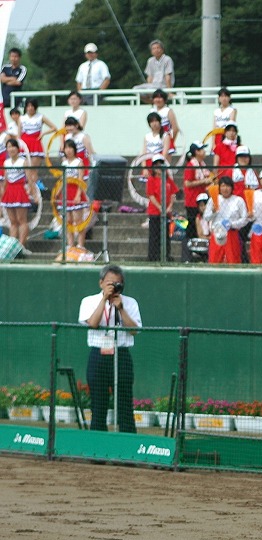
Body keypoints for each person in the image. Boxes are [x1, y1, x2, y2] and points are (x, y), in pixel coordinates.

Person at [77, 264, 141, 433]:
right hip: (98, 353)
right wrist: (104, 300)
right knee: (98, 402)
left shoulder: (130, 302)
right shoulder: (89, 301)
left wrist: (121, 308)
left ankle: (128, 443)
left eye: (117, 284)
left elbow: (134, 330)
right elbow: (92, 323)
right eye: (110, 283)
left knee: (124, 402)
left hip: (121, 353)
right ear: (101, 283)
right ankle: (98, 442)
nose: (113, 287)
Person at [206, 176, 249, 264]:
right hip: (217, 234)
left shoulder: (238, 200)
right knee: (214, 260)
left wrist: (232, 224)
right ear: (219, 188)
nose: (225, 189)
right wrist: (213, 212)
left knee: (233, 260)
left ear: (232, 188)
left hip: (232, 233)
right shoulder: (213, 199)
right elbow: (206, 217)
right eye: (223, 186)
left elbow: (245, 219)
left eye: (228, 186)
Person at [2, 137, 36, 247]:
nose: (11, 149)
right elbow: (6, 180)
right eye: (9, 147)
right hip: (9, 191)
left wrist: (33, 193)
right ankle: (12, 245)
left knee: (21, 219)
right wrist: (3, 194)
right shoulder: (6, 163)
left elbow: (29, 179)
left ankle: (21, 245)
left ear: (17, 148)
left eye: (13, 146)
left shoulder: (23, 161)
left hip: (20, 190)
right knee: (12, 221)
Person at [57, 139, 91, 251]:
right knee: (68, 221)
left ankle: (80, 244)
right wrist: (58, 192)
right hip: (66, 193)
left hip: (76, 190)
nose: (68, 150)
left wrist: (78, 195)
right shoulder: (64, 164)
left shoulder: (79, 162)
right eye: (66, 148)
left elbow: (81, 180)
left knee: (78, 220)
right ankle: (70, 244)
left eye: (70, 148)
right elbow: (62, 180)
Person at [144, 153, 178, 261]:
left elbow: (173, 194)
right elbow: (151, 195)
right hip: (155, 212)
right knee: (154, 235)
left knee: (166, 235)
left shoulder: (168, 180)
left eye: (161, 164)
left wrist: (170, 207)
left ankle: (166, 255)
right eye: (157, 165)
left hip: (167, 212)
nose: (159, 167)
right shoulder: (151, 180)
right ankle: (153, 256)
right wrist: (160, 207)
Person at [19, 99, 55, 163]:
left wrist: (43, 133)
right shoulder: (21, 118)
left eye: (32, 106)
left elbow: (54, 128)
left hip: (35, 144)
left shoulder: (40, 117)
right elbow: (19, 134)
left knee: (34, 167)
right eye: (28, 106)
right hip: (24, 144)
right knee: (25, 167)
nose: (30, 108)